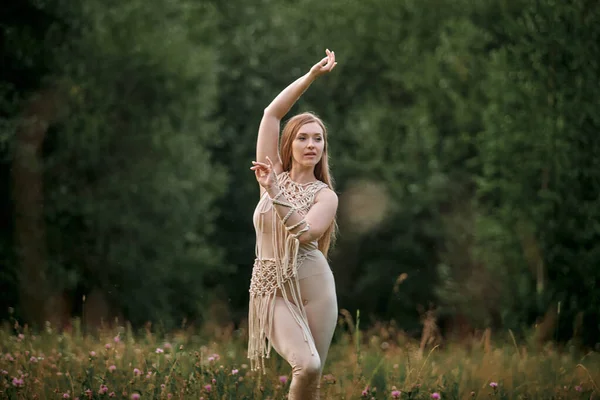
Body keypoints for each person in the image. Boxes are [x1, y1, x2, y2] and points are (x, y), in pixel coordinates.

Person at [248, 49, 339, 399]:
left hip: (315, 286)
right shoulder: (272, 175)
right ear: (289, 143)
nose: (311, 144)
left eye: (318, 139)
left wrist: (274, 190)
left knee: (311, 381)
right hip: (270, 286)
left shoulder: (325, 196)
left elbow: (305, 234)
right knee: (308, 365)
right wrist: (311, 77)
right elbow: (272, 113)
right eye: (303, 137)